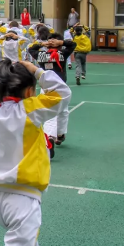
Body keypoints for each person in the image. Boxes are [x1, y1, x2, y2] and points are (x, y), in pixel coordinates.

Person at [0, 59, 71, 246]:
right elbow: (62, 94)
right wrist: (37, 71)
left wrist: (6, 70)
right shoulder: (29, 110)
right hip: (22, 200)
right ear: (29, 91)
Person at [27, 27, 77, 156]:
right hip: (61, 89)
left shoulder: (41, 54)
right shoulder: (62, 54)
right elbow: (73, 44)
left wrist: (42, 44)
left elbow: (30, 48)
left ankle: (58, 135)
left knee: (56, 113)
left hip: (46, 88)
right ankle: (51, 137)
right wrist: (61, 43)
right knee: (60, 113)